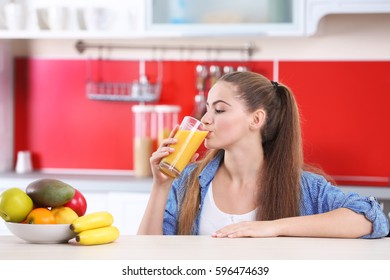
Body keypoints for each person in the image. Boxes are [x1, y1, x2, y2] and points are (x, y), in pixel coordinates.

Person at [137, 71, 389, 238]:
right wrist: (161, 186)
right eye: (207, 109)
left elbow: (372, 217)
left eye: (220, 110)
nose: (205, 120)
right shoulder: (187, 180)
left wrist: (275, 227)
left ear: (256, 119)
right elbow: (148, 256)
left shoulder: (302, 187)